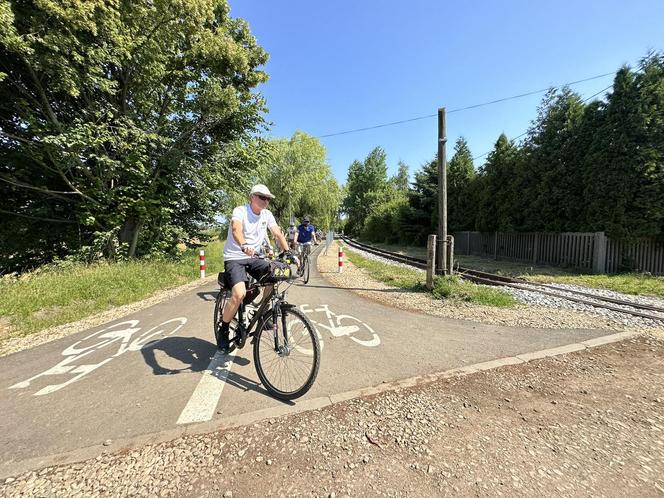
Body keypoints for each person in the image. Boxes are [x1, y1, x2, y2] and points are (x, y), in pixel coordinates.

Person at [218, 184, 290, 352]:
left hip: (254, 258)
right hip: (235, 257)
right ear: (252, 197)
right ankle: (224, 328)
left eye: (268, 198)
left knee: (274, 275)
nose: (266, 201)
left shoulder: (267, 214)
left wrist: (288, 252)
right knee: (239, 293)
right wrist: (243, 245)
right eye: (262, 197)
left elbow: (277, 233)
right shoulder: (240, 211)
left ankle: (262, 315)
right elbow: (236, 229)